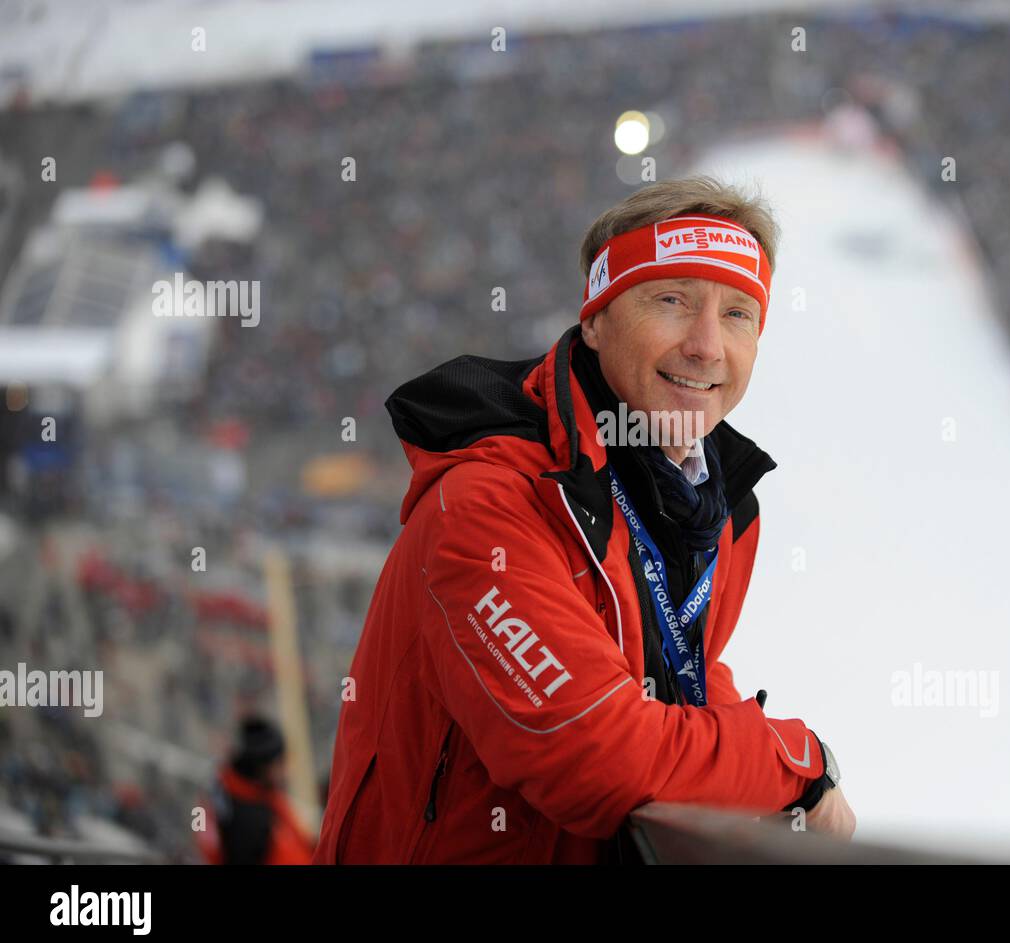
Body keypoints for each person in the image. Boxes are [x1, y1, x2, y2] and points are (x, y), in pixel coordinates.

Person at [315, 175, 856, 864]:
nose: (706, 346)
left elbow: (684, 669)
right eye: (672, 301)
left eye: (737, 314)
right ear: (595, 319)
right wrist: (794, 762)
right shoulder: (488, 505)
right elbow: (595, 754)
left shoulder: (720, 509)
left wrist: (752, 759)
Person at [196, 715, 316, 865]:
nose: (286, 771)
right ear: (263, 768)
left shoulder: (257, 796)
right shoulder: (250, 819)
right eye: (280, 763)